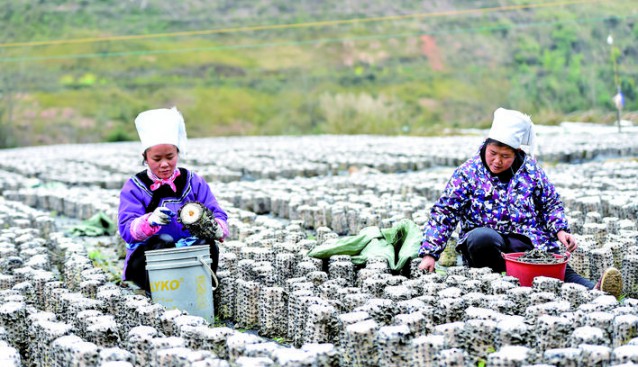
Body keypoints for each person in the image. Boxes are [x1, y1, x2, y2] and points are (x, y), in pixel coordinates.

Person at [417, 107, 623, 298]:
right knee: (482, 238)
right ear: (485, 146)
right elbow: (445, 212)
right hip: (487, 246)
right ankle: (507, 282)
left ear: (516, 154)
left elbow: (550, 202)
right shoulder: (468, 172)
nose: (497, 161)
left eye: (505, 156)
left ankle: (594, 289)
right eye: (493, 154)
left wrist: (560, 230)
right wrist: (430, 253)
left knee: (546, 259)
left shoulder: (531, 170)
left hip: (525, 242)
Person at [118, 107, 229, 293]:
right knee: (163, 240)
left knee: (208, 245)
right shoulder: (134, 187)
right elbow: (126, 230)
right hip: (148, 258)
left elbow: (215, 211)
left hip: (189, 252)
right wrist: (149, 222)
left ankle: (202, 291)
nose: (164, 164)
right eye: (156, 158)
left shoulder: (193, 181)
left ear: (178, 153)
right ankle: (161, 291)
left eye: (170, 157)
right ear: (145, 158)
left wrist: (217, 227)